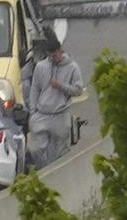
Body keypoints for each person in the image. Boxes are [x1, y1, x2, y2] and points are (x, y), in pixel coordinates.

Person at [27, 37, 84, 168]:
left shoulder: (72, 67)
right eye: (49, 56)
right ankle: (44, 170)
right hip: (41, 113)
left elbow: (78, 90)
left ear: (60, 51)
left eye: (55, 55)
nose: (52, 58)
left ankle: (55, 175)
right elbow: (34, 88)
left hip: (60, 114)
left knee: (60, 153)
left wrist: (61, 86)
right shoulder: (41, 67)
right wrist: (33, 111)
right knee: (35, 149)